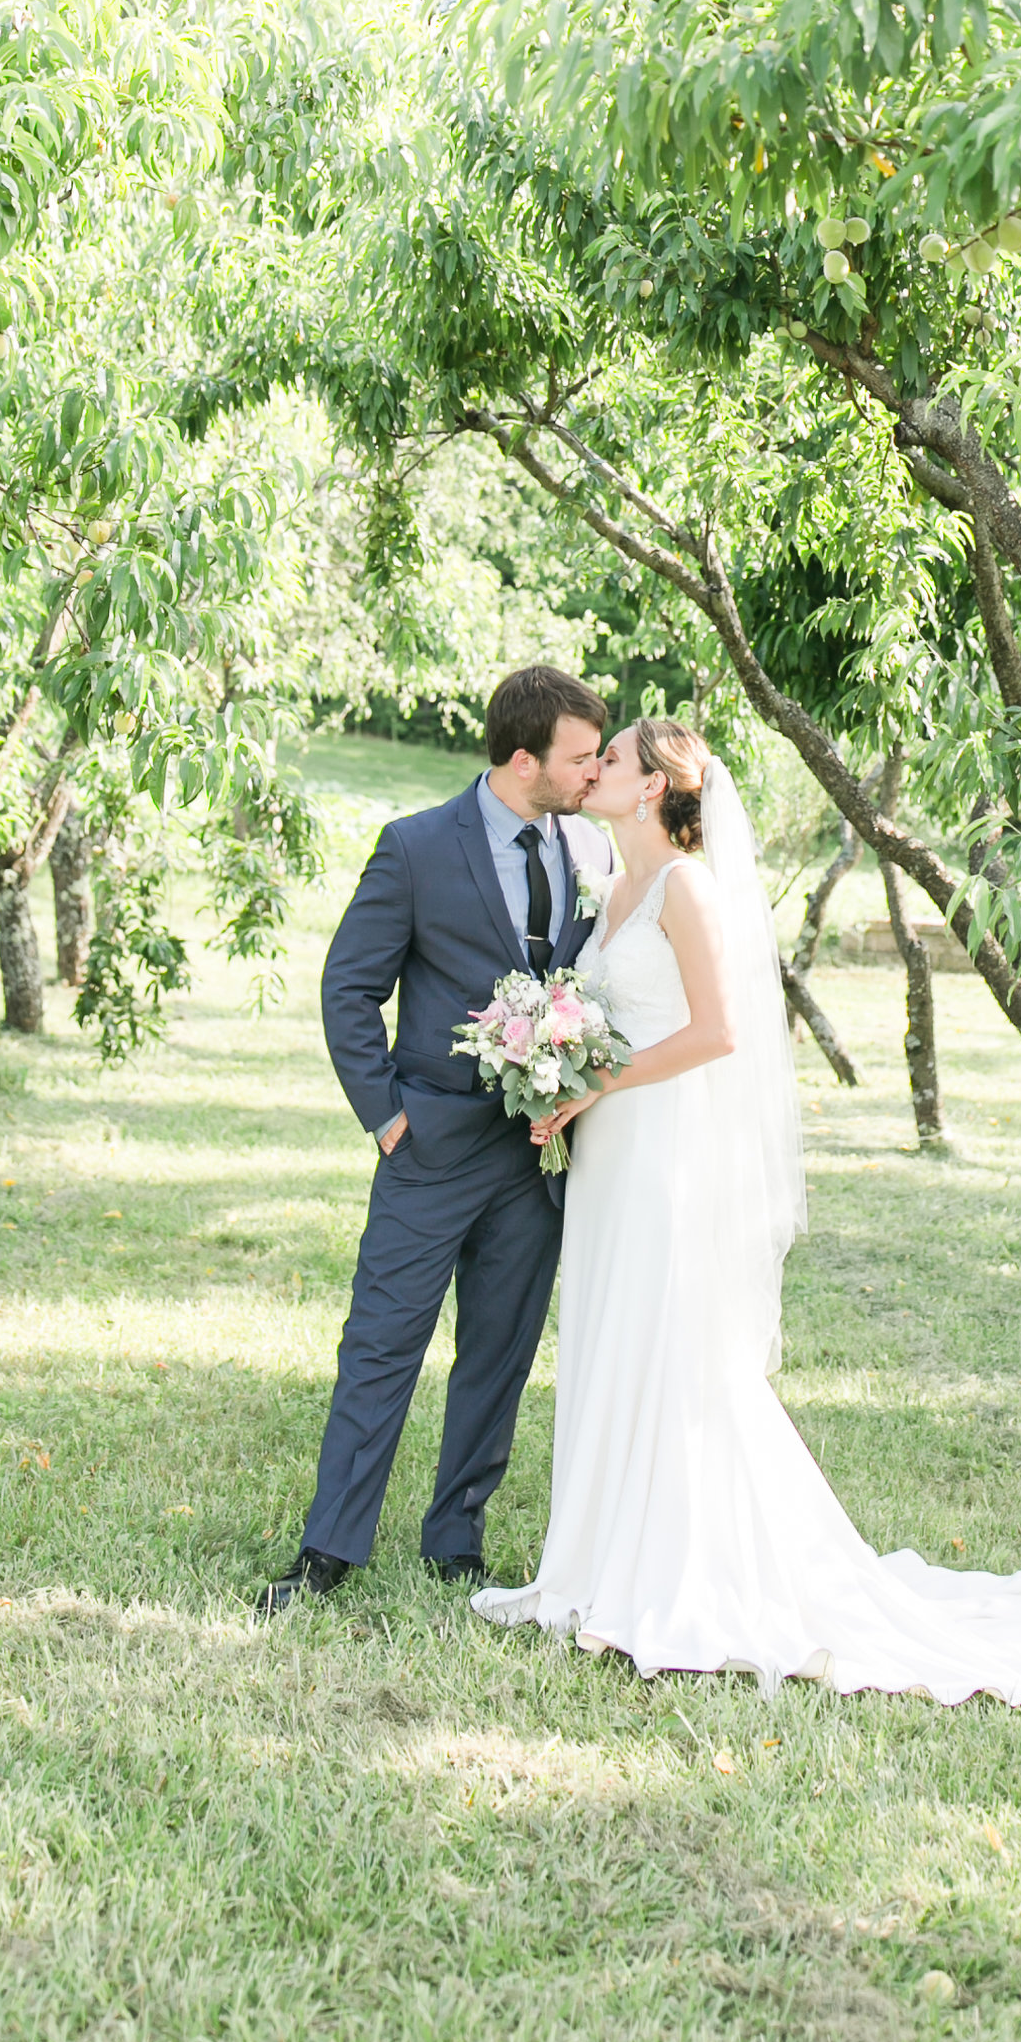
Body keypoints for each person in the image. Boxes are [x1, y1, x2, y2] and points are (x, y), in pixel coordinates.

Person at [472, 716, 1021, 1707]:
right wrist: (555, 1062)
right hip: (607, 1154)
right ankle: (598, 1561)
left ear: (651, 788)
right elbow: (602, 1010)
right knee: (610, 1335)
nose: (594, 772)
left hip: (659, 1151)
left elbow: (719, 1032)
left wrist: (598, 1085)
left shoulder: (685, 886)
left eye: (613, 761)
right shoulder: (615, 885)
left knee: (669, 1349)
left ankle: (678, 1575)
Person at [256, 661, 614, 1616]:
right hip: (429, 1148)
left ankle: (456, 1539)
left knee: (497, 1354)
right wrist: (387, 1115)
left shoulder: (590, 855)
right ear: (521, 755)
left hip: (535, 1154)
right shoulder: (414, 848)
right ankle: (328, 1550)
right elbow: (348, 988)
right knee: (380, 1345)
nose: (594, 773)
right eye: (580, 757)